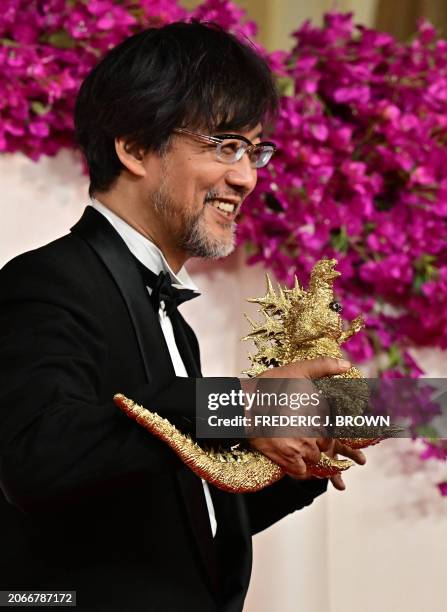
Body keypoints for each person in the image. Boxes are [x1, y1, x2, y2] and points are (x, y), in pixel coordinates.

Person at [0, 21, 365, 612]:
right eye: (225, 146)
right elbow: (37, 458)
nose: (247, 177)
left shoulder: (168, 313)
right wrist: (244, 403)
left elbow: (182, 516)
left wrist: (308, 457)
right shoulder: (46, 282)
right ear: (134, 146)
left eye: (254, 150)